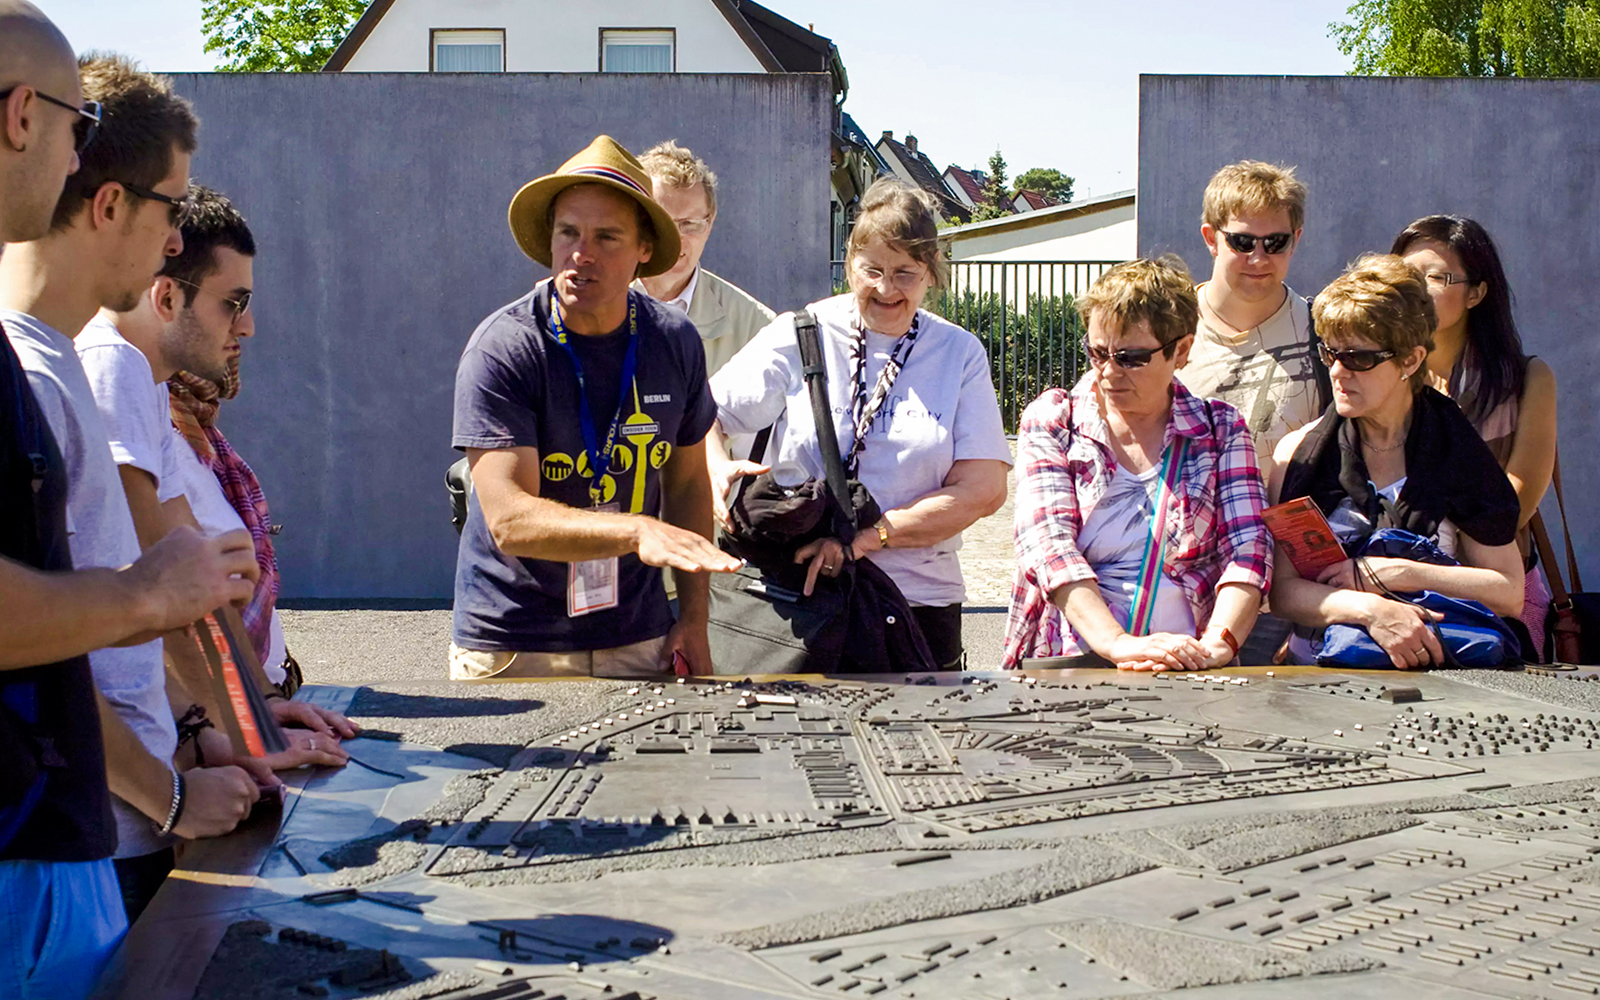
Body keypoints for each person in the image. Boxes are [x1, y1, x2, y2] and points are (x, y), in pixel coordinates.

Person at [0, 14, 258, 999]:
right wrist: (175, 789)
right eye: (170, 209)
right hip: (63, 854)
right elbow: (46, 645)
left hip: (85, 848)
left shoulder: (55, 364)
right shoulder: (44, 369)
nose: (176, 241)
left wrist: (203, 735)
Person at [450, 135, 739, 680]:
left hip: (637, 633)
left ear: (644, 250)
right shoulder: (505, 346)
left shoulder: (673, 340)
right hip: (515, 642)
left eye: (607, 237)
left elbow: (686, 485)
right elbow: (510, 519)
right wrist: (636, 531)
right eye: (569, 233)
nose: (582, 254)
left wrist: (695, 619)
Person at [710, 178, 1011, 670]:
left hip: (917, 602)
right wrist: (713, 466)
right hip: (796, 602)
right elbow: (703, 413)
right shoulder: (800, 332)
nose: (886, 289)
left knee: (918, 744)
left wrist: (869, 540)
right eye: (872, 269)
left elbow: (984, 488)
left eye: (905, 273)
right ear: (850, 262)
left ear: (932, 274)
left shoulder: (958, 353)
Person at [1003, 256, 1272, 671]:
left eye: (1130, 357)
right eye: (1097, 352)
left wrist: (1219, 644)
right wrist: (1117, 643)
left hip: (1187, 664)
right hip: (1076, 659)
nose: (1108, 372)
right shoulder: (1055, 419)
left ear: (1181, 350)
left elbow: (1248, 549)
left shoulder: (1221, 430)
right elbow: (1047, 544)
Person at [1268, 255, 1525, 668]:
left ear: (1410, 360)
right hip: (1318, 678)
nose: (1338, 371)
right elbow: (1283, 592)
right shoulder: (1300, 454)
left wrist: (1400, 574)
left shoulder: (1457, 451)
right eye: (1329, 353)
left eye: (1359, 358)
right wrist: (1372, 609)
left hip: (1432, 683)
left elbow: (1508, 591)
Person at [1177, 160, 1322, 665]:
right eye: (1242, 241)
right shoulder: (1165, 328)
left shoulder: (1323, 332)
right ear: (1210, 238)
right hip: (1177, 589)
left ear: (1296, 239)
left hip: (1285, 595)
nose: (1259, 257)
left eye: (1275, 242)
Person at [1391, 216, 1558, 658]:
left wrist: (1434, 546)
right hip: (1394, 594)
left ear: (1477, 293)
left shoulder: (1526, 379)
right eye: (1407, 274)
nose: (1417, 288)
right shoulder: (1384, 372)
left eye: (1436, 277)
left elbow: (1518, 498)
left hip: (1498, 593)